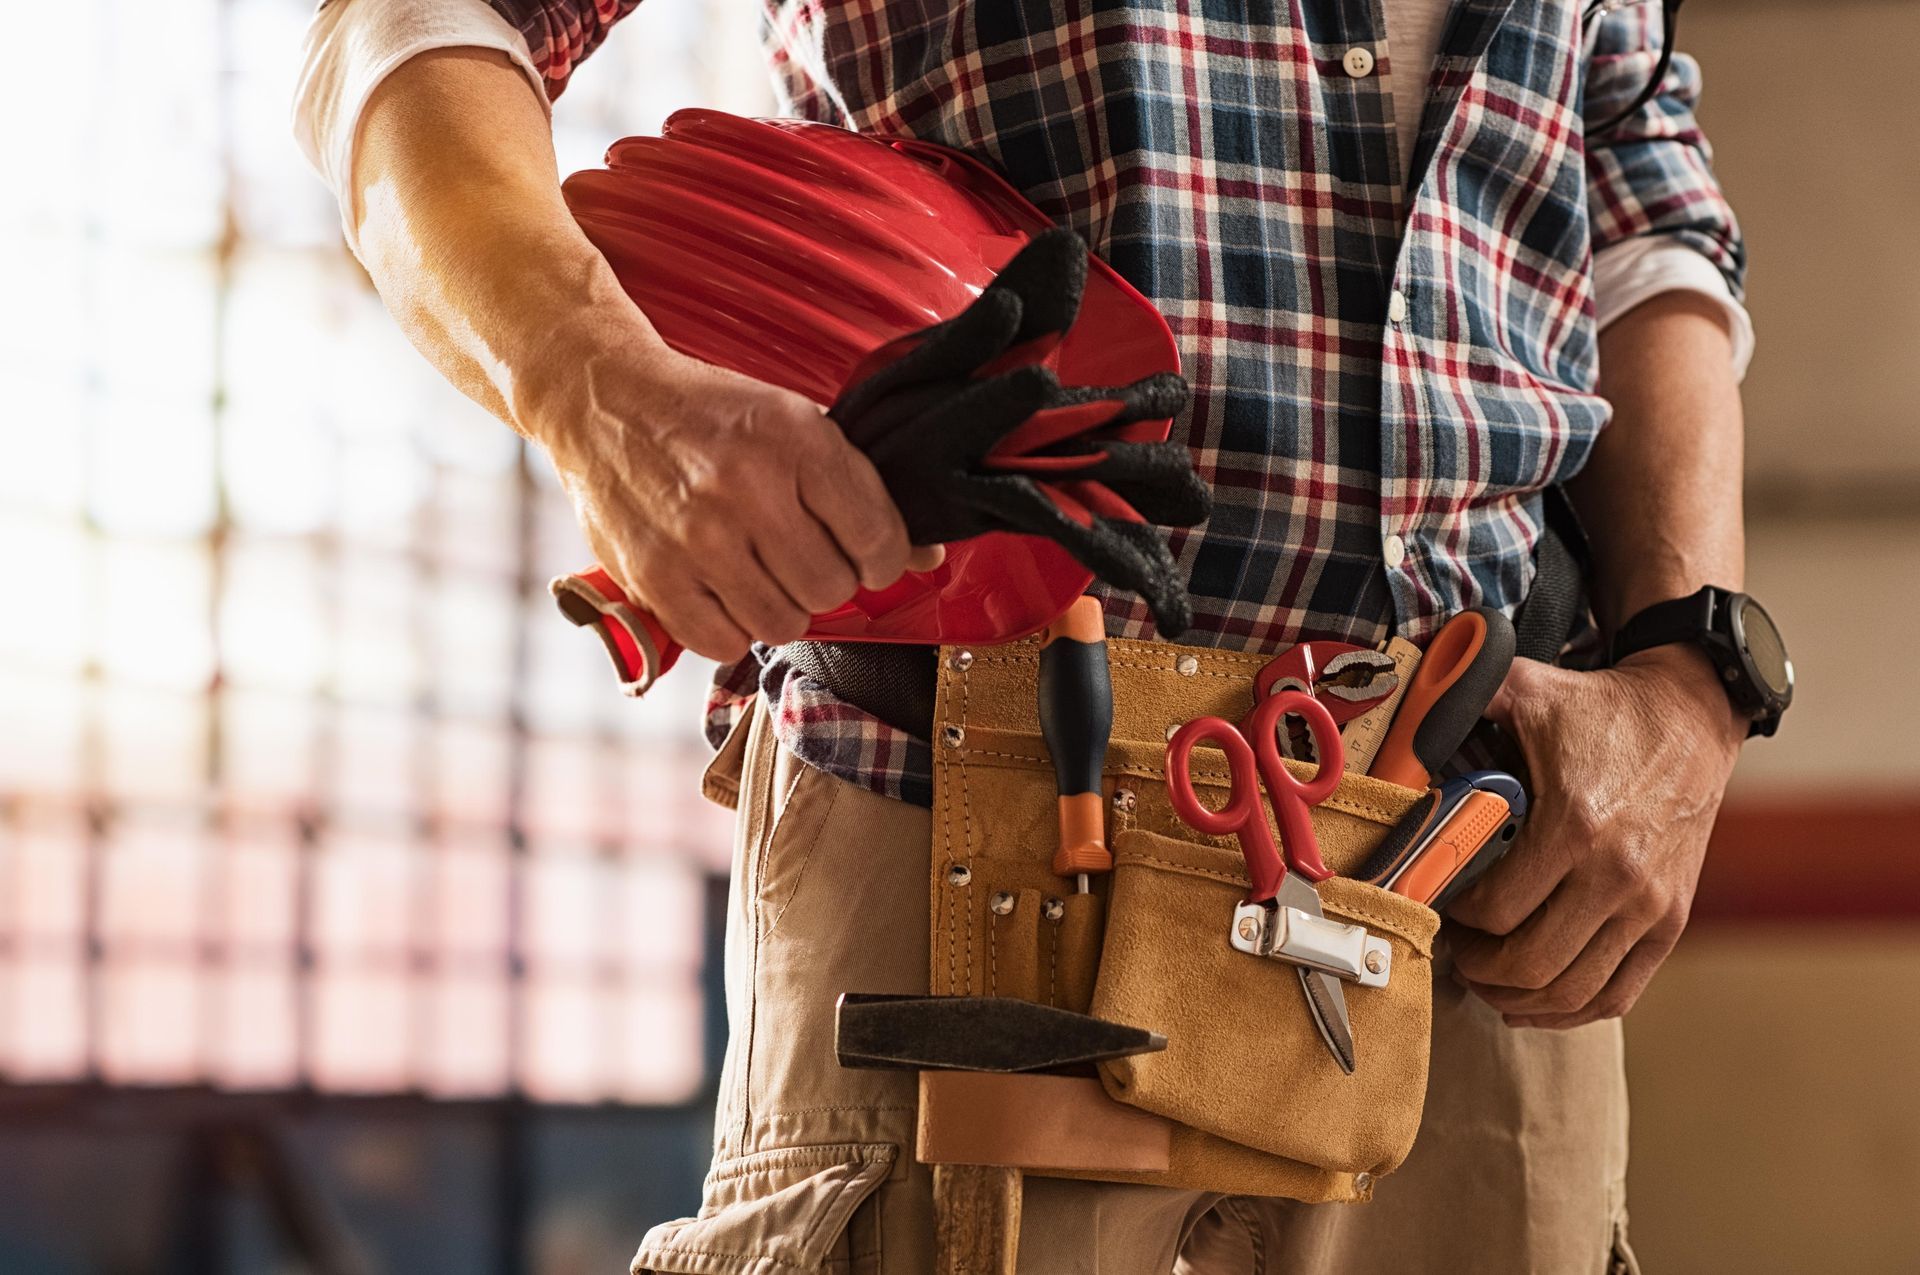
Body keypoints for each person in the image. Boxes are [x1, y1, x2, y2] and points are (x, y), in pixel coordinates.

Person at [295, 1, 1761, 1270]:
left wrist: (1695, 673)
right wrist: (598, 393)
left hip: (1477, 877)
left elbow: (1637, 190)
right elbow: (406, 31)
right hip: (955, 837)